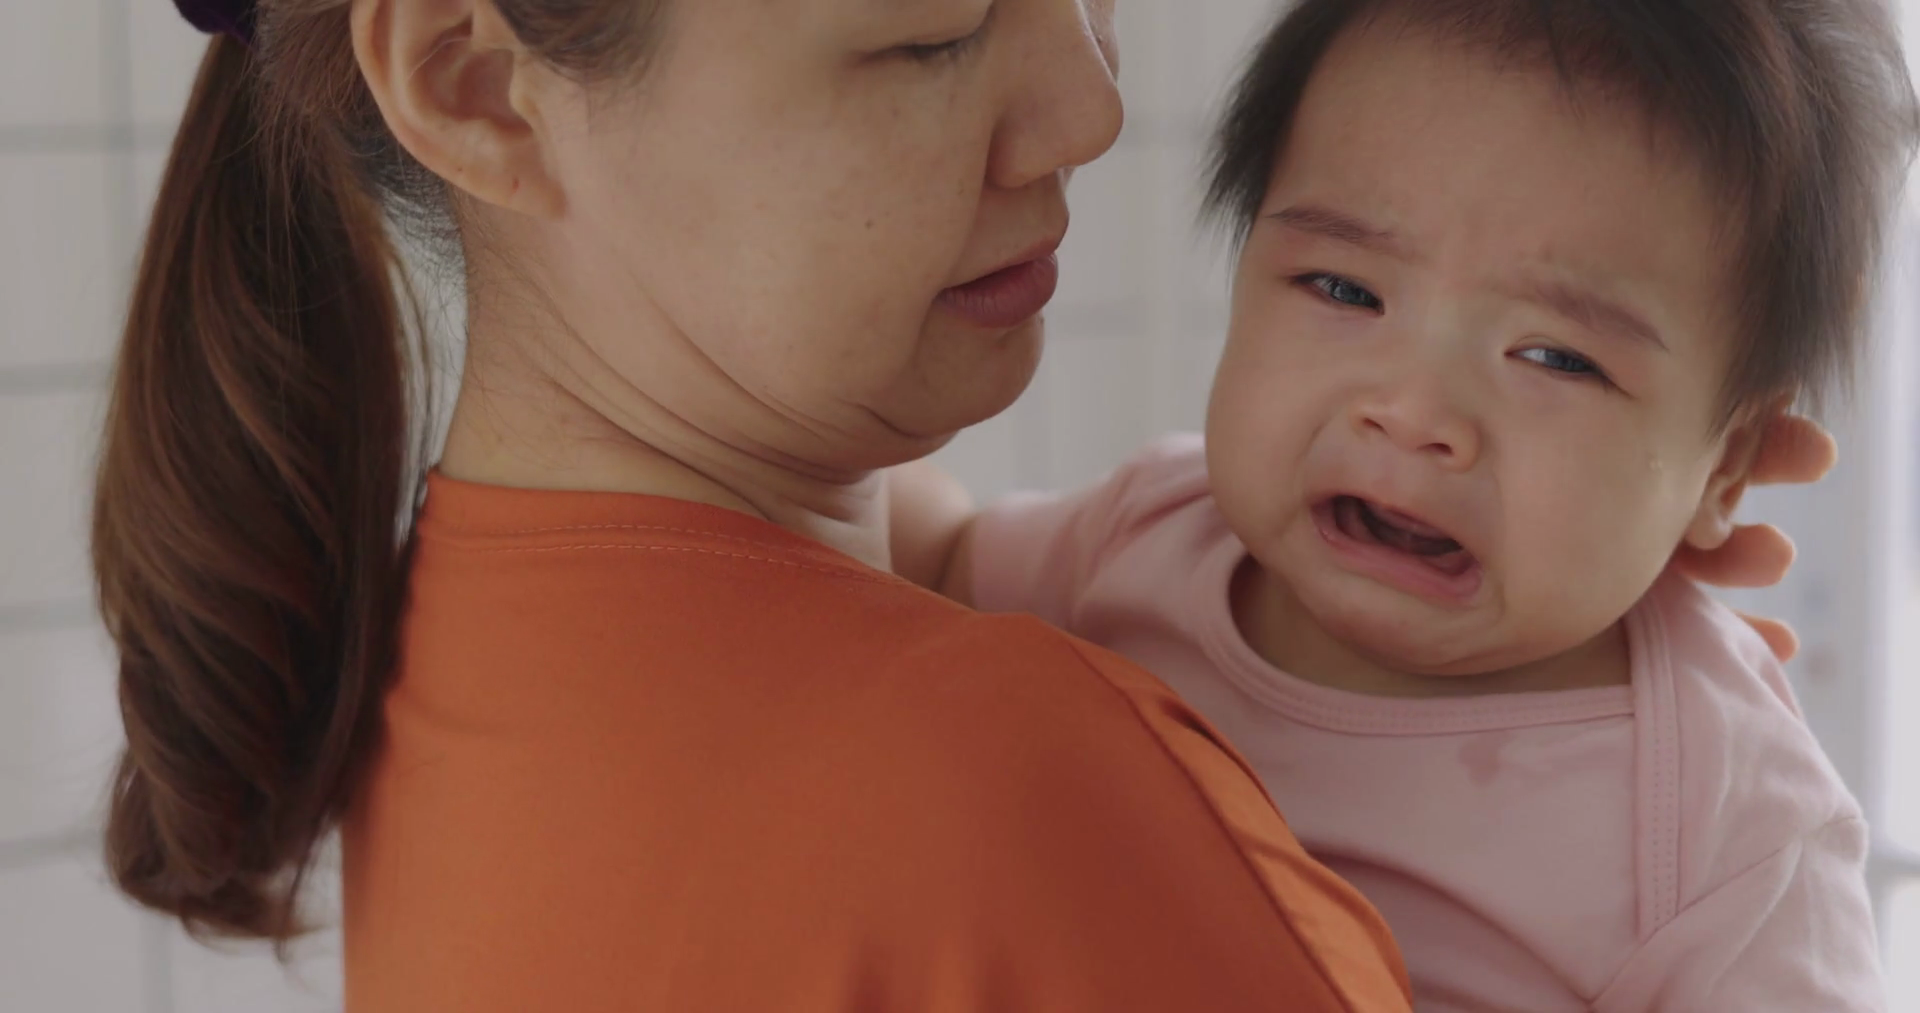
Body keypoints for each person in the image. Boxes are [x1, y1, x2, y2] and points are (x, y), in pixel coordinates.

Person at [92, 0, 1830, 1009]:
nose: (1091, 106)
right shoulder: (1002, 763)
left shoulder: (448, 622)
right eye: (927, 32)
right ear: (478, 85)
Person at [891, 2, 1915, 1010]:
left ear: (1726, 467)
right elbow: (922, 555)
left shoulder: (1724, 826)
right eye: (1346, 290)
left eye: (1555, 357)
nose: (1416, 412)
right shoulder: (1149, 536)